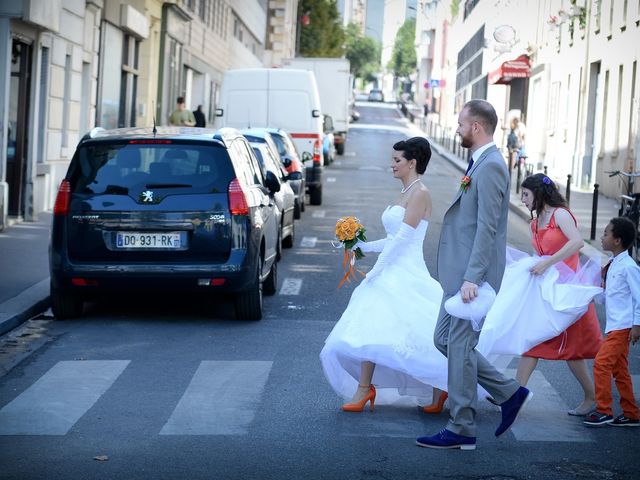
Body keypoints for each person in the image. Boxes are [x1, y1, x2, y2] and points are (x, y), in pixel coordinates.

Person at [416, 100, 531, 451]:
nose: (456, 129)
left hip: (471, 277)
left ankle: (462, 425)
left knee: (461, 344)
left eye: (461, 123)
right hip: (460, 275)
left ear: (476, 127)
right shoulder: (479, 162)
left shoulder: (492, 165)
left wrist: (473, 278)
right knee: (444, 340)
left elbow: (488, 228)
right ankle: (509, 392)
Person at [320, 137, 448, 414]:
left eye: (397, 160)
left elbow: (403, 240)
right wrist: (361, 245)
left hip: (407, 271)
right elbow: (391, 239)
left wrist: (375, 272)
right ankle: (365, 388)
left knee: (422, 332)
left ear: (412, 163)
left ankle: (441, 387)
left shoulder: (420, 193)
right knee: (371, 324)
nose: (391, 164)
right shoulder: (404, 192)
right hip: (392, 268)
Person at [515, 173, 602, 416]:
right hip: (547, 291)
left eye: (525, 194)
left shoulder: (560, 214)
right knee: (534, 340)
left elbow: (577, 242)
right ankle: (513, 395)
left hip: (568, 292)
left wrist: (547, 263)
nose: (522, 199)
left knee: (572, 351)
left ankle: (591, 396)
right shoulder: (535, 222)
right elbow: (538, 256)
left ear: (539, 194)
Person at [584, 217, 640, 427]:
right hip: (615, 325)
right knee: (620, 370)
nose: (602, 237)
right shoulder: (614, 264)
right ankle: (631, 413)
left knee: (601, 364)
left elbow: (639, 297)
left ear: (617, 240)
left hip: (623, 327)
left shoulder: (629, 267)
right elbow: (611, 295)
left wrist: (637, 325)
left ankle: (604, 410)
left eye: (606, 234)